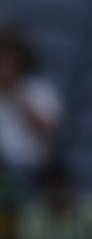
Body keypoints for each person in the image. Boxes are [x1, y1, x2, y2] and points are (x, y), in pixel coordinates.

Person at [0, 29, 62, 183]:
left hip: (32, 168)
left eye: (8, 62)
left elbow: (49, 132)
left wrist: (17, 98)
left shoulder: (39, 90)